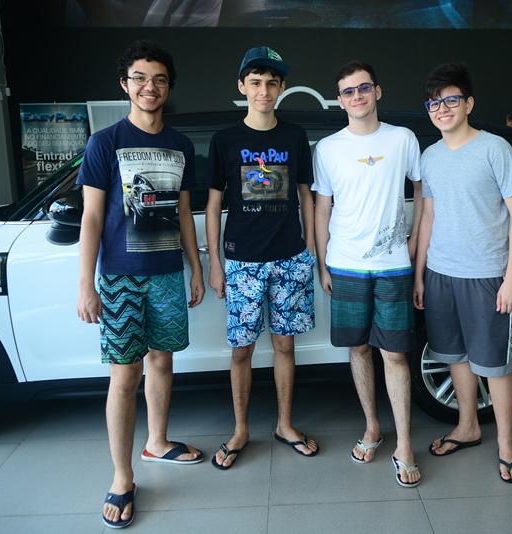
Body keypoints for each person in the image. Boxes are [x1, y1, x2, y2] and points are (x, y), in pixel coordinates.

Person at [76, 40, 206, 528]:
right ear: (125, 84)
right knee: (125, 376)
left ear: (168, 87)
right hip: (120, 277)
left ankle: (157, 442)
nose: (149, 87)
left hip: (168, 273)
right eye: (140, 78)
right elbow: (91, 217)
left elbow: (184, 214)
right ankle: (122, 476)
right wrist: (86, 284)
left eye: (159, 79)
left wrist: (195, 267)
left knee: (163, 363)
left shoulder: (180, 144)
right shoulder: (104, 142)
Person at [415, 64, 512, 484]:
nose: (442, 109)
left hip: (485, 274)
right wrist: (420, 274)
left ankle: (506, 445)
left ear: (468, 103)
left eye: (451, 100)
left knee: (495, 363)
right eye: (434, 103)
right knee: (455, 356)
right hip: (440, 272)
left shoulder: (494, 149)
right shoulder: (430, 156)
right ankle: (467, 427)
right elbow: (428, 217)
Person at [206, 46, 319, 469]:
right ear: (242, 86)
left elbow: (306, 195)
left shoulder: (294, 136)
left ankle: (285, 424)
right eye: (255, 82)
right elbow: (213, 205)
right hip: (242, 262)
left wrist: (309, 249)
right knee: (241, 350)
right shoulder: (224, 140)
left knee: (285, 346)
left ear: (282, 87)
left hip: (290, 257)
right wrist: (216, 264)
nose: (264, 91)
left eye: (272, 83)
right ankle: (240, 430)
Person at [312, 60, 423, 488]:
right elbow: (322, 207)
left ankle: (405, 445)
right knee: (358, 348)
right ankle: (373, 427)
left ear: (377, 91)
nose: (356, 96)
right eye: (348, 91)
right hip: (345, 264)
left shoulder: (403, 138)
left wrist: (414, 242)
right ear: (339, 100)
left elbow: (422, 191)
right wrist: (323, 262)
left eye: (363, 88)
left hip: (393, 264)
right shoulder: (327, 148)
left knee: (395, 354)